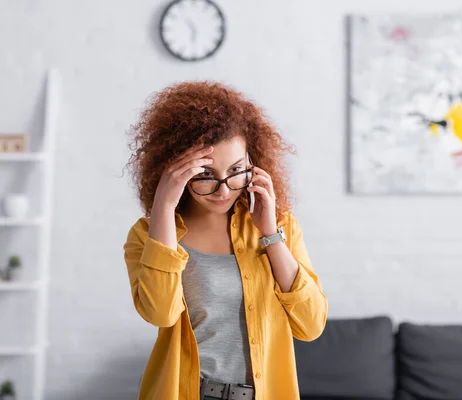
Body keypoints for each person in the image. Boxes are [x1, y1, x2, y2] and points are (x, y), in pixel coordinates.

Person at [123, 81, 328, 400]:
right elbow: (160, 313)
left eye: (236, 170)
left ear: (252, 162)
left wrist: (270, 234)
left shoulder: (281, 226)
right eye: (205, 175)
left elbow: (311, 324)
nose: (223, 190)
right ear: (176, 172)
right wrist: (163, 206)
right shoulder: (148, 234)